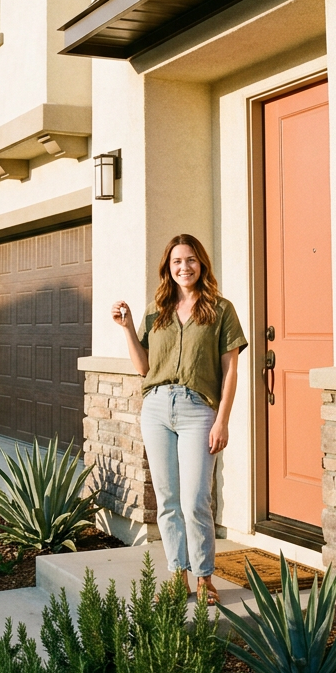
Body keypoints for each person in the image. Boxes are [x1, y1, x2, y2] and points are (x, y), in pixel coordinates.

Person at [112, 234, 247, 604]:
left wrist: (222, 420)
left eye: (190, 260)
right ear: (167, 269)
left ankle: (204, 577)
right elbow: (143, 368)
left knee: (196, 500)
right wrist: (126, 328)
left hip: (197, 410)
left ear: (201, 264)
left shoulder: (221, 310)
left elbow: (231, 371)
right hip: (156, 407)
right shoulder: (156, 312)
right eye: (176, 262)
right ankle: (178, 577)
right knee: (168, 500)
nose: (183, 267)